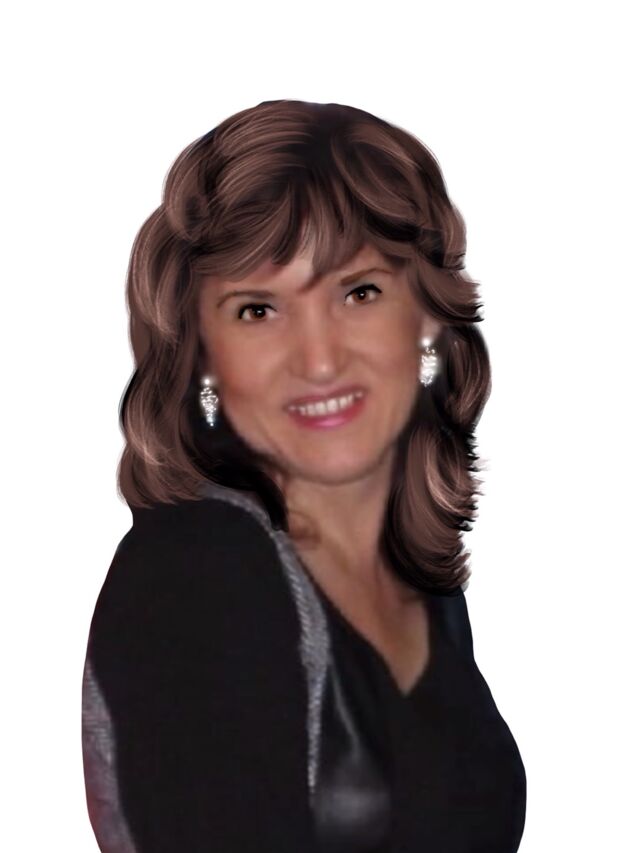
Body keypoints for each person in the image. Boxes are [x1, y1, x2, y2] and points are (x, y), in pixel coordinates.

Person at [82, 99, 527, 852]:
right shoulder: (198, 570)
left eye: (359, 292)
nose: (319, 361)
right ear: (200, 350)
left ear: (426, 313)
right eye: (258, 310)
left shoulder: (419, 576)